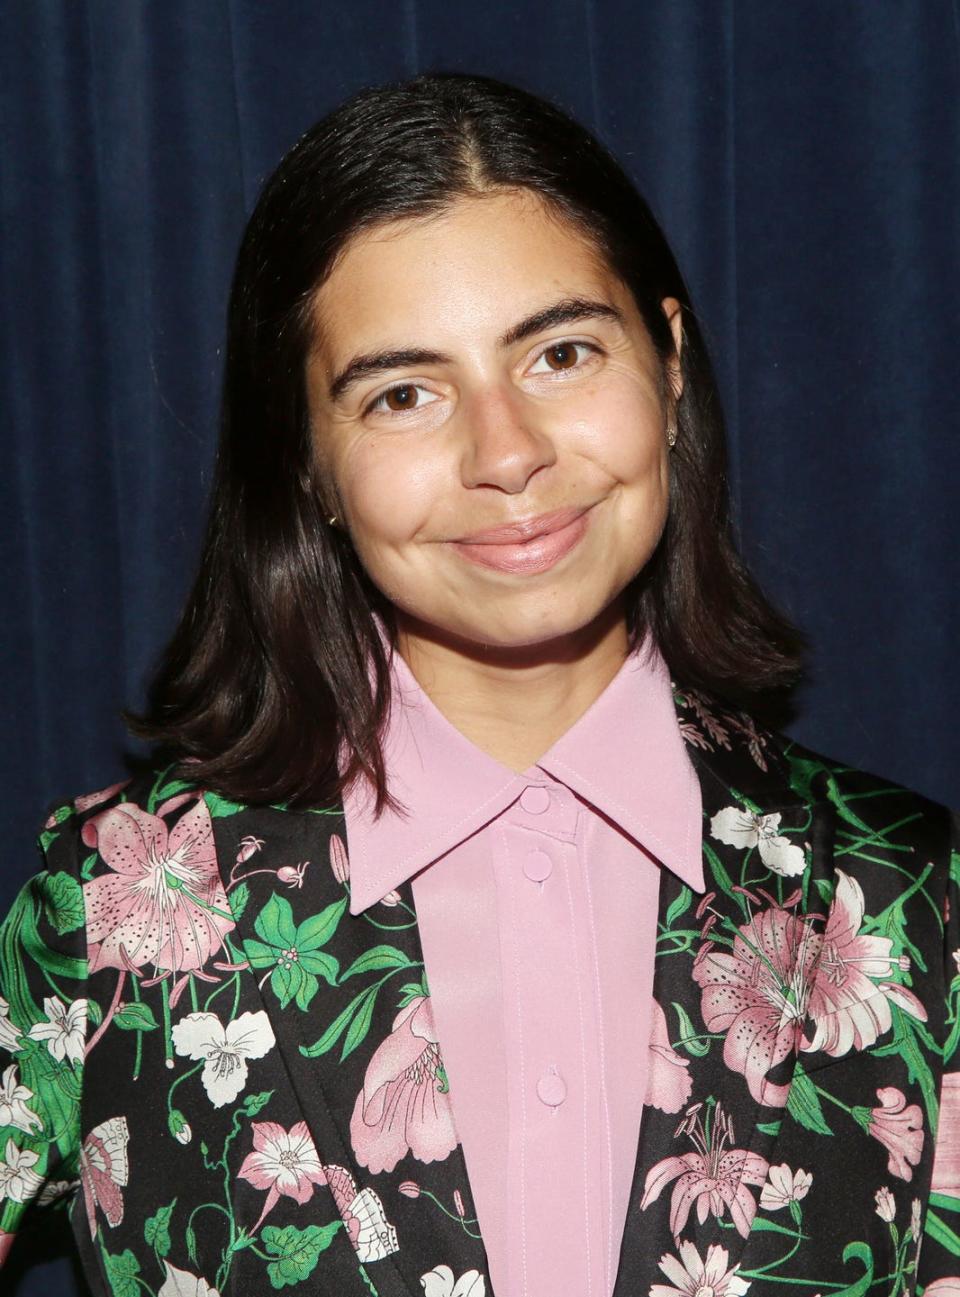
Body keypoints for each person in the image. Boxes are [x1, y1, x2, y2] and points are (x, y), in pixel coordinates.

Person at [0, 70, 956, 1297]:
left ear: (667, 366)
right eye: (404, 392)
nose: (505, 452)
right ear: (308, 463)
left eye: (560, 353)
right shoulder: (111, 919)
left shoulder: (917, 912)